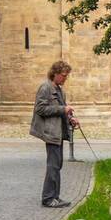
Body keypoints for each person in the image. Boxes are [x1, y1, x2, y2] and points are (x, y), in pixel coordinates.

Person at [30, 59, 79, 208]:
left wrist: (71, 119)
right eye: (64, 75)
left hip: (58, 133)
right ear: (55, 74)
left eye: (66, 76)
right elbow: (40, 109)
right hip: (50, 132)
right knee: (53, 166)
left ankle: (55, 197)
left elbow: (62, 109)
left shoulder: (60, 90)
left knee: (57, 165)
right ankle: (48, 198)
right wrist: (62, 110)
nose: (65, 78)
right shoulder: (45, 88)